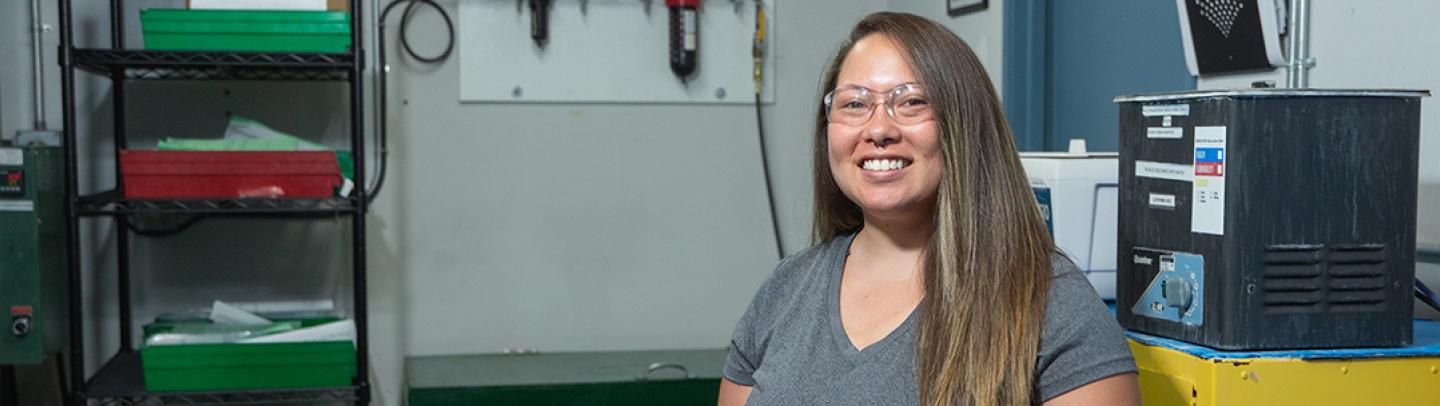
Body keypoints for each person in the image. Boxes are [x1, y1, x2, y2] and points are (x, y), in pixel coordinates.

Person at [717, 12, 1139, 406]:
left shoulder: (1050, 302)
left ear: (964, 123)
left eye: (912, 101)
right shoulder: (785, 290)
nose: (879, 129)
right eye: (854, 104)